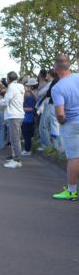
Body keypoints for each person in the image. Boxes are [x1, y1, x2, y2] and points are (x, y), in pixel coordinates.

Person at [50, 54, 79, 201]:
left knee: (74, 157)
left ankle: (72, 191)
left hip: (71, 123)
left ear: (55, 69)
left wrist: (61, 122)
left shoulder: (58, 87)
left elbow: (60, 113)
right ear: (69, 65)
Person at [0, 71, 25, 169]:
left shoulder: (12, 87)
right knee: (15, 138)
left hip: (13, 115)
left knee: (15, 138)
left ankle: (17, 160)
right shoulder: (20, 86)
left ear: (8, 79)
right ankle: (15, 157)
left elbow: (5, 101)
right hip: (18, 114)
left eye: (7, 78)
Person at [21, 85, 36, 156]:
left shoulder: (30, 98)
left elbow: (30, 108)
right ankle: (27, 149)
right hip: (27, 118)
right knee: (26, 135)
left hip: (28, 119)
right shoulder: (29, 97)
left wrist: (21, 109)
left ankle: (27, 150)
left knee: (27, 135)